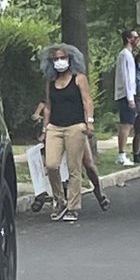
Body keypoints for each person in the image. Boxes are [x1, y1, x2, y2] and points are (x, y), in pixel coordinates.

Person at [41, 43, 96, 223]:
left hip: (75, 126)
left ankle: (73, 206)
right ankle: (59, 200)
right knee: (51, 165)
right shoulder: (50, 82)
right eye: (56, 59)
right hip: (55, 127)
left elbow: (87, 100)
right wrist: (45, 128)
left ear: (70, 59)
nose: (59, 62)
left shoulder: (79, 78)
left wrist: (89, 122)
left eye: (62, 58)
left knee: (74, 168)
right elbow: (48, 106)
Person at [113, 28, 139, 166]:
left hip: (128, 93)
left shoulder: (129, 55)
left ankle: (123, 153)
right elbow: (126, 77)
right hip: (126, 95)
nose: (138, 40)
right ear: (129, 39)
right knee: (126, 124)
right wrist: (130, 98)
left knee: (129, 124)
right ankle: (121, 154)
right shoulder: (124, 55)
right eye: (135, 37)